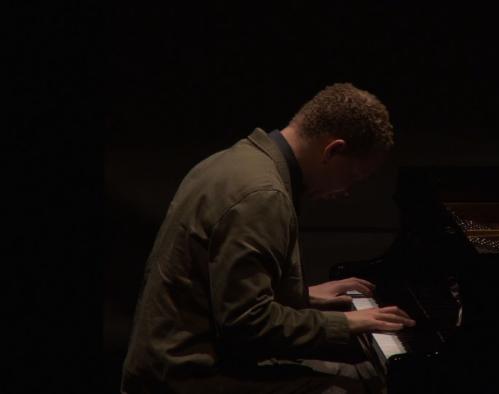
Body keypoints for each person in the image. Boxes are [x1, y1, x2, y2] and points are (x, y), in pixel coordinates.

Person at [120, 83, 415, 394]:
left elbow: (221, 290)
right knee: (362, 384)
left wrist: (304, 296)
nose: (346, 191)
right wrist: (350, 323)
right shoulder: (263, 196)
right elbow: (248, 325)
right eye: (353, 176)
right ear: (333, 150)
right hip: (183, 375)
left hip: (174, 357)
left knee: (353, 366)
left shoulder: (236, 160)